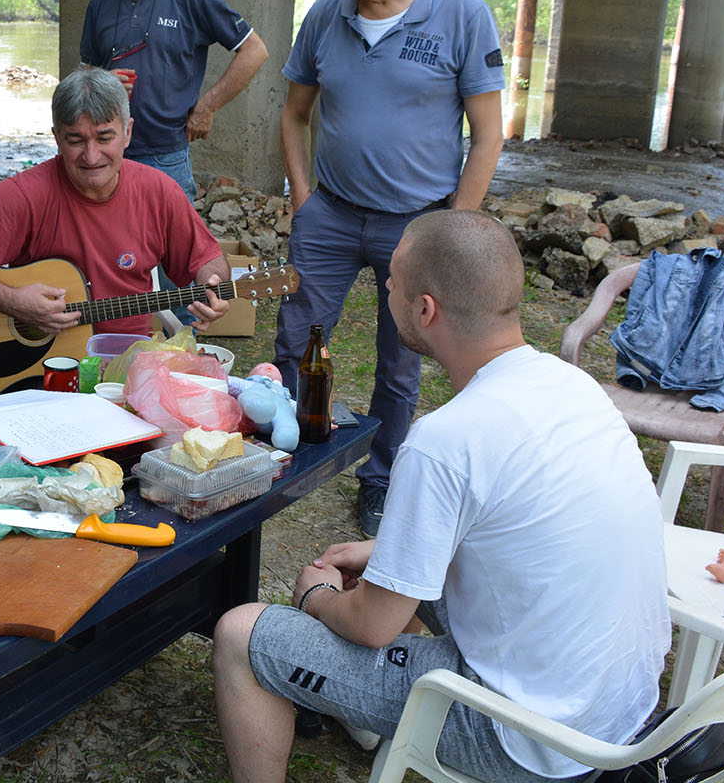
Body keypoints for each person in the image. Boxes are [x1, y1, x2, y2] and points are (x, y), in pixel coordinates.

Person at [215, 210, 670, 783]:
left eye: (392, 283)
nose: (384, 287)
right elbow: (513, 528)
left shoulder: (444, 440)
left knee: (240, 634)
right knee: (381, 577)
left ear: (425, 310)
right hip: (616, 711)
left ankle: (354, 699)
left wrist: (318, 598)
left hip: (528, 741)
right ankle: (364, 708)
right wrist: (384, 549)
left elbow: (373, 625)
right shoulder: (573, 385)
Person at [273, 0, 506, 535]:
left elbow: (488, 136)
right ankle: (281, 456)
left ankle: (379, 481)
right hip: (332, 216)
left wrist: (453, 227)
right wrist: (303, 198)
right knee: (294, 339)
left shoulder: (461, 14)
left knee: (401, 359)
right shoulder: (325, 16)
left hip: (416, 221)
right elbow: (293, 114)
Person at [0, 65, 231, 337]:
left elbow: (208, 260)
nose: (91, 157)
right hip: (45, 372)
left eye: (105, 138)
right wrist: (10, 301)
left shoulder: (158, 190)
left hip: (126, 363)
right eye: (75, 140)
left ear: (128, 133)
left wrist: (213, 284)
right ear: (56, 137)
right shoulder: (28, 193)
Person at [79, 0, 269, 203]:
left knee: (173, 251)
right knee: (111, 250)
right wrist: (99, 83)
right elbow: (84, 71)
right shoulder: (101, 1)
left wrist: (207, 107)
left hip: (167, 158)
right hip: (106, 155)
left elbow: (254, 50)